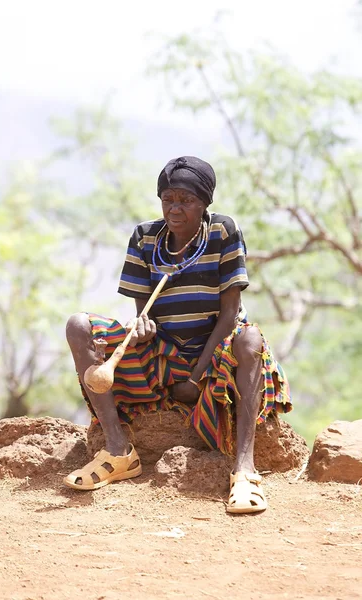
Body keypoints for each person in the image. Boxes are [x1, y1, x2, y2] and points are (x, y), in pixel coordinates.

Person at [64, 156, 292, 514]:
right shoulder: (145, 237)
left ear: (204, 204)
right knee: (79, 326)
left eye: (185, 200)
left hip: (217, 357)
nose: (174, 209)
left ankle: (245, 470)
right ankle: (118, 451)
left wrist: (196, 376)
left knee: (250, 340)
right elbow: (144, 311)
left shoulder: (222, 232)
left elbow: (230, 315)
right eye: (168, 199)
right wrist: (139, 328)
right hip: (164, 354)